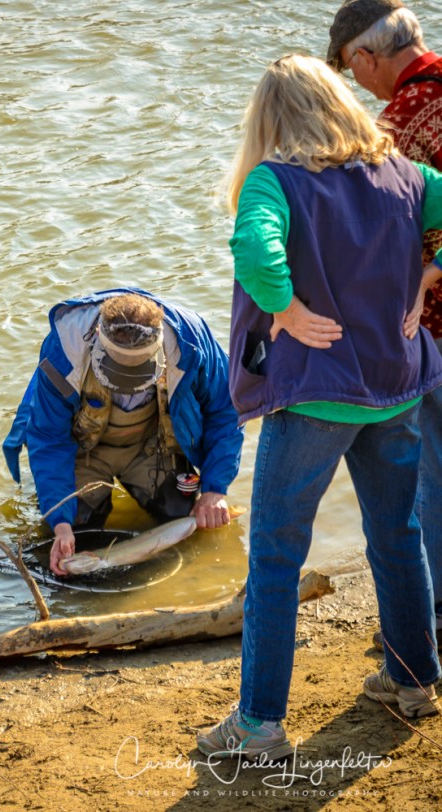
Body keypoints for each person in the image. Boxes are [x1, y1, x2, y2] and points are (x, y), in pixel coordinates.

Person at [196, 54, 442, 763]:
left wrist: (287, 308)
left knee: (274, 556)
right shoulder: (403, 174)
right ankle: (415, 679)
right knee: (399, 533)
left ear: (272, 119)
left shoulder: (274, 180)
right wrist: (432, 273)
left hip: (316, 398)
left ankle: (260, 725)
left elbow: (254, 246)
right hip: (395, 390)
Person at [327, 0, 442, 650]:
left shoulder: (396, 125)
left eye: (349, 68)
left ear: (365, 58)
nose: (354, 82)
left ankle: (424, 618)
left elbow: (371, 239)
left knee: (431, 472)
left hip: (429, 325)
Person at [3, 289, 244, 576]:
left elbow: (227, 410)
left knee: (183, 515)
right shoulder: (64, 350)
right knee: (76, 533)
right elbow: (49, 439)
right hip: (85, 450)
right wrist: (61, 524)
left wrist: (215, 490)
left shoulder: (191, 343)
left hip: (152, 446)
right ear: (96, 342)